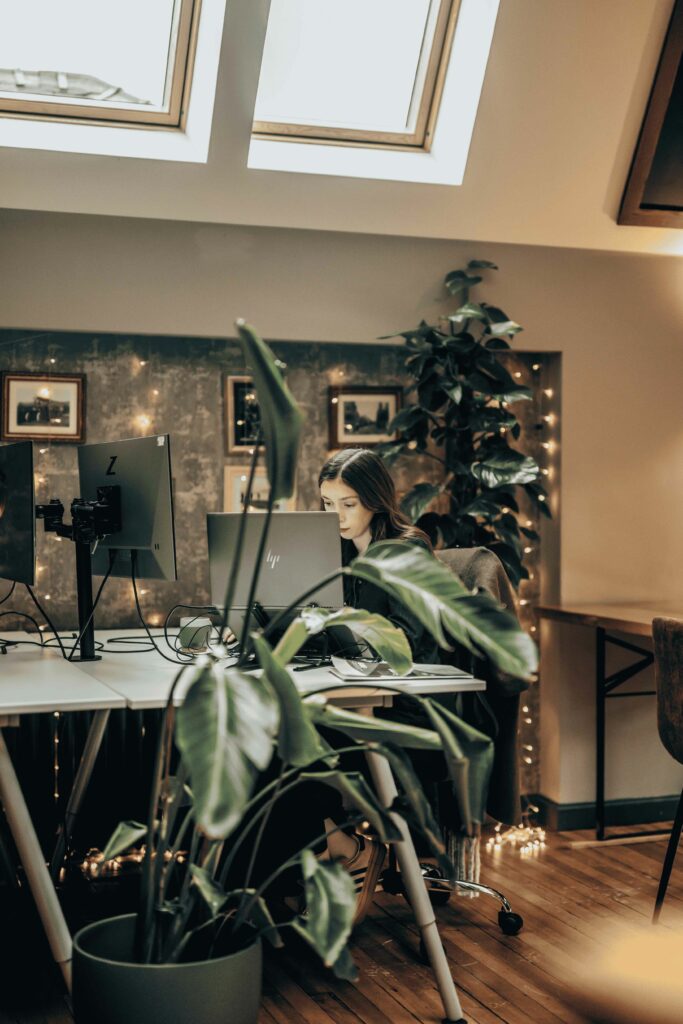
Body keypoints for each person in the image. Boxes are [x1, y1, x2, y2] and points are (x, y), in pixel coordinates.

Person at [318, 447, 439, 665]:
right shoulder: (335, 550)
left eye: (348, 504)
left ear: (374, 499)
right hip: (355, 673)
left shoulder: (407, 550)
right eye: (328, 503)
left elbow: (406, 641)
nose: (337, 516)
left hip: (410, 686)